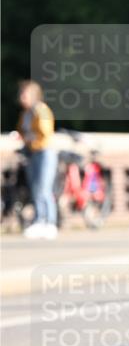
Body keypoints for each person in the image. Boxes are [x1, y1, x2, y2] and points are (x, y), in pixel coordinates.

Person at [15, 80, 58, 239]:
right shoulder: (26, 113)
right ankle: (39, 220)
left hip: (44, 152)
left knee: (44, 188)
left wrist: (30, 141)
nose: (21, 97)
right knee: (35, 188)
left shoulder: (41, 110)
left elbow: (46, 133)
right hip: (32, 153)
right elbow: (22, 131)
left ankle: (50, 222)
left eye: (24, 94)